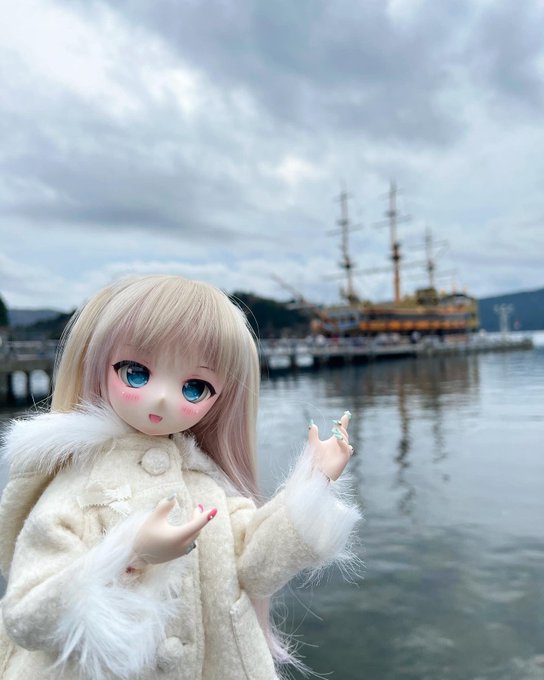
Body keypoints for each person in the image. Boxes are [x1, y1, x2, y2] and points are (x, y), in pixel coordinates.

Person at [0, 275, 360, 680]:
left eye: (194, 387)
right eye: (136, 373)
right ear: (96, 363)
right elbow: (26, 615)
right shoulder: (78, 489)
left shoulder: (207, 485)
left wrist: (313, 483)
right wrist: (127, 555)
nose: (162, 398)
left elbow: (257, 568)